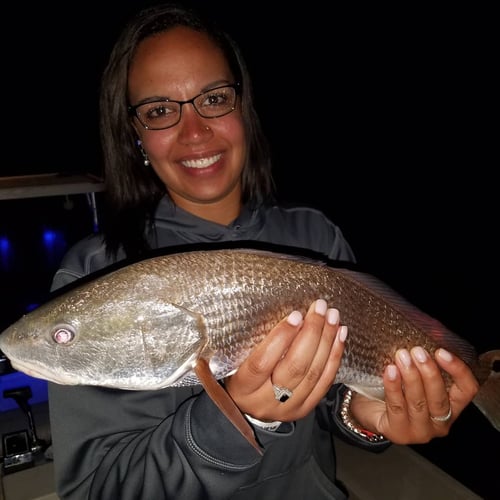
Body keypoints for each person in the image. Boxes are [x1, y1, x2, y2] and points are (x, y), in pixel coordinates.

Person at [47, 3, 480, 499]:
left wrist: (367, 417)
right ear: (136, 135)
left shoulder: (314, 236)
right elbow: (96, 491)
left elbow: (336, 398)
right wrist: (238, 415)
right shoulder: (92, 274)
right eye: (161, 110)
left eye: (213, 98)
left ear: (242, 109)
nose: (194, 132)